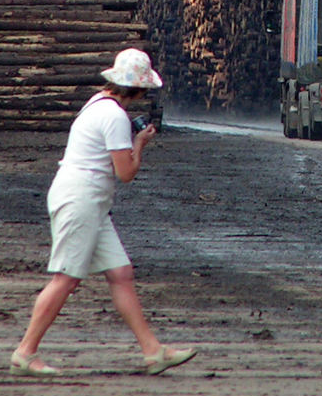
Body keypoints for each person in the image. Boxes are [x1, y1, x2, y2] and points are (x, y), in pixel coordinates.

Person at [10, 48, 197, 377]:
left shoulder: (97, 103)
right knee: (65, 279)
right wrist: (139, 144)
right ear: (138, 88)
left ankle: (154, 352)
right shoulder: (114, 117)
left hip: (89, 200)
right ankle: (25, 352)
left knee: (121, 273)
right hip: (81, 199)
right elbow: (125, 173)